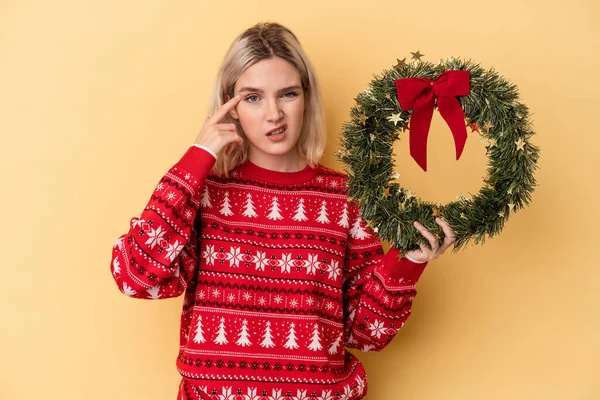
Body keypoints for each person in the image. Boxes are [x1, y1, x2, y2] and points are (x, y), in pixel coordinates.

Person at [110, 22, 456, 400]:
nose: (274, 114)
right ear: (231, 105)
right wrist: (198, 158)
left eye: (287, 94)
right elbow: (135, 276)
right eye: (253, 97)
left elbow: (366, 333)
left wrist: (407, 262)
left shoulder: (344, 199)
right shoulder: (205, 194)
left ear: (306, 97)